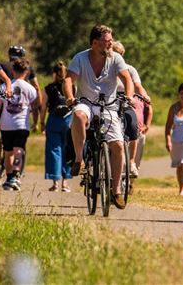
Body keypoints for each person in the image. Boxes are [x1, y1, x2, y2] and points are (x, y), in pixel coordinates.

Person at [64, 24, 134, 209]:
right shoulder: (80, 58)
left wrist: (128, 96)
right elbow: (69, 79)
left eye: (111, 41)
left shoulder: (115, 58)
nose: (110, 45)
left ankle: (116, 190)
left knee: (118, 145)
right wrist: (70, 97)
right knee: (78, 116)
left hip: (109, 106)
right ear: (95, 43)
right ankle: (79, 159)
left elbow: (127, 79)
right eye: (107, 42)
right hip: (86, 102)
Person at [0, 59, 38, 191]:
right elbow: (35, 107)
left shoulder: (4, 87)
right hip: (21, 125)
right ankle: (15, 175)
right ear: (26, 72)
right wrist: (36, 121)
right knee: (18, 150)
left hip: (6, 124)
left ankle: (8, 178)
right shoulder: (30, 88)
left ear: (13, 71)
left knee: (8, 152)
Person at [111, 40, 151, 178]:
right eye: (114, 53)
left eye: (119, 53)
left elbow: (138, 86)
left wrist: (144, 95)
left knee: (133, 124)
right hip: (109, 101)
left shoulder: (130, 69)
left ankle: (132, 161)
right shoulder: (106, 68)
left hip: (126, 100)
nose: (116, 56)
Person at [40, 61, 73, 192]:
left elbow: (43, 108)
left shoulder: (49, 88)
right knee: (67, 150)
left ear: (54, 73)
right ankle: (65, 183)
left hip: (53, 120)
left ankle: (55, 183)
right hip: (68, 120)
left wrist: (41, 123)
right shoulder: (72, 87)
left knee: (54, 150)